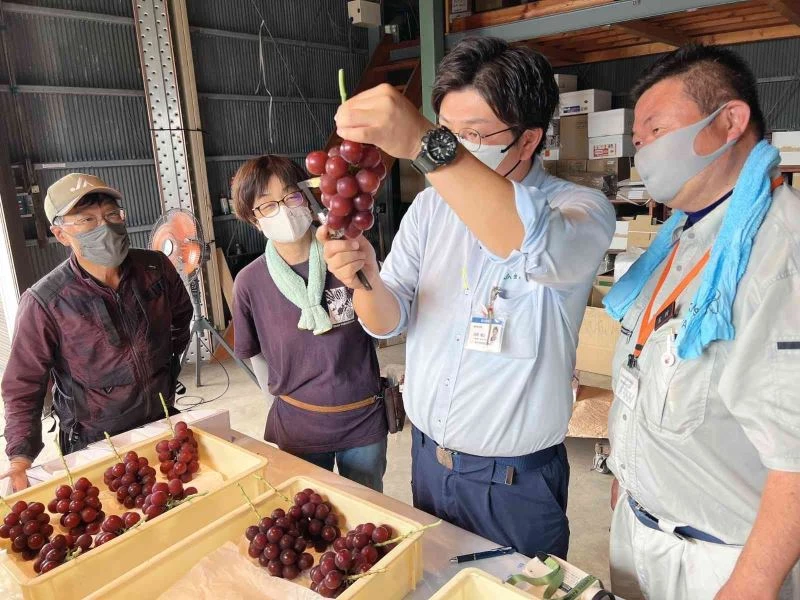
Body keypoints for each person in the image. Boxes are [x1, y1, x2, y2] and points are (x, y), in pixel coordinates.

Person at [320, 37, 615, 558]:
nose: (454, 148)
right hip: (430, 463)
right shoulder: (431, 210)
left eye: (471, 136)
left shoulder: (581, 211)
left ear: (528, 141)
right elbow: (389, 321)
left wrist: (424, 144)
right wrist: (362, 275)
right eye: (447, 132)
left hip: (514, 485)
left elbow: (534, 246)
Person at [603, 45, 800, 599]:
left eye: (656, 129)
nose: (643, 148)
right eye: (637, 139)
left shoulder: (778, 254)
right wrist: (629, 479)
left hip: (721, 564)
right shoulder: (682, 238)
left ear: (730, 122)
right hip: (645, 536)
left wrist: (753, 584)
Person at [1, 173, 193, 491]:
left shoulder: (154, 268)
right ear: (61, 233)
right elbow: (23, 387)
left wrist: (163, 370)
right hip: (94, 441)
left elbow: (180, 320)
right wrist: (20, 458)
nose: (104, 226)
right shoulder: (45, 301)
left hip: (161, 422)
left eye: (111, 215)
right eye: (87, 219)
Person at [230, 155, 388, 492]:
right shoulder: (249, 282)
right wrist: (275, 402)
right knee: (308, 518)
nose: (283, 210)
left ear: (308, 197)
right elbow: (253, 352)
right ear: (253, 219)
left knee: (369, 511)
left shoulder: (348, 257)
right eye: (267, 205)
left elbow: (384, 326)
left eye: (291, 196)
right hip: (298, 425)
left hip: (362, 419)